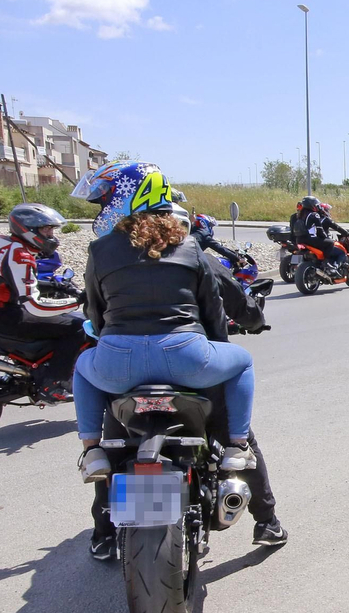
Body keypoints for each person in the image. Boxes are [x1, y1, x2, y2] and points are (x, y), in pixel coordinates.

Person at [70, 161, 258, 487]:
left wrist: (110, 341)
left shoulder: (99, 250)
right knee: (243, 361)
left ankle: (91, 450)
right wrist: (214, 349)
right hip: (186, 358)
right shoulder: (190, 247)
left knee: (82, 367)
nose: (102, 206)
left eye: (106, 198)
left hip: (118, 362)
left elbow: (95, 314)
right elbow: (213, 311)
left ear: (128, 197)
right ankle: (238, 447)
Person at [0, 203, 87, 401]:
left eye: (51, 230)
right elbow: (34, 305)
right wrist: (77, 301)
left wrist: (56, 286)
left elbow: (9, 279)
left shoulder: (0, 241)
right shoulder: (19, 255)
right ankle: (53, 384)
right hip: (1, 314)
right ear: (28, 229)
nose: (51, 235)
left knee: (63, 319)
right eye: (46, 229)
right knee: (78, 326)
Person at [299, 196, 349, 276]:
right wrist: (347, 234)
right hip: (313, 240)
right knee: (337, 248)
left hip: (302, 240)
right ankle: (330, 265)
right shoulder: (317, 216)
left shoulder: (300, 216)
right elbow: (324, 229)